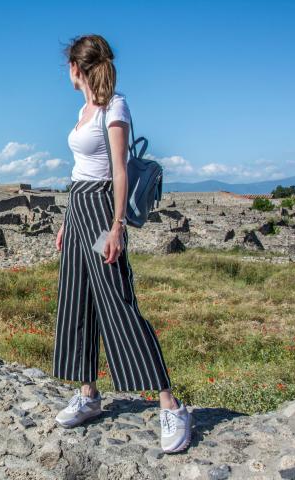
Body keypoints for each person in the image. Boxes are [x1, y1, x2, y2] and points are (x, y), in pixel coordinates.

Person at [51, 34, 193, 454]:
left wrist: (116, 226)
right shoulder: (82, 109)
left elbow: (118, 171)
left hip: (100, 209)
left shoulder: (115, 106)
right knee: (76, 300)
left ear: (78, 66)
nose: (66, 73)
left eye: (67, 65)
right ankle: (89, 394)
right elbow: (79, 170)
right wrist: (65, 221)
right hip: (78, 207)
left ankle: (170, 404)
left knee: (117, 300)